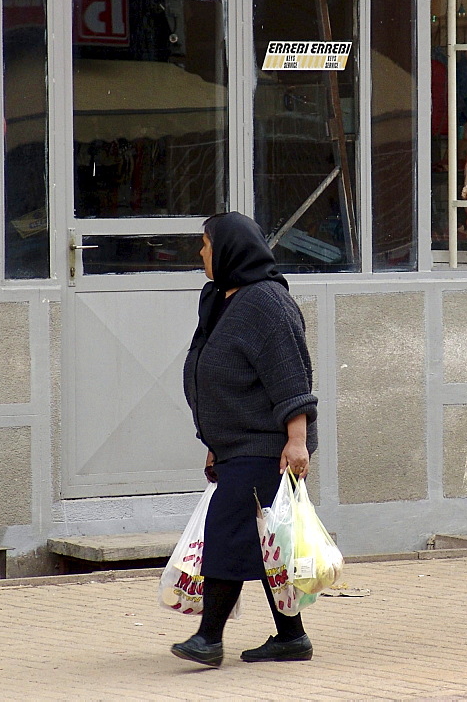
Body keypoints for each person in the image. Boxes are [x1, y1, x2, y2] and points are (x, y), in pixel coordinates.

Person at [171, 211, 318, 669]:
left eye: (206, 244)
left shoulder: (267, 303)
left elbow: (292, 377)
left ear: (230, 248)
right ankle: (291, 637)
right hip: (234, 444)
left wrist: (296, 440)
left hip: (266, 445)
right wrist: (213, 439)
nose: (200, 253)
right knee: (264, 541)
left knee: (228, 533)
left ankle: (208, 638)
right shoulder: (218, 298)